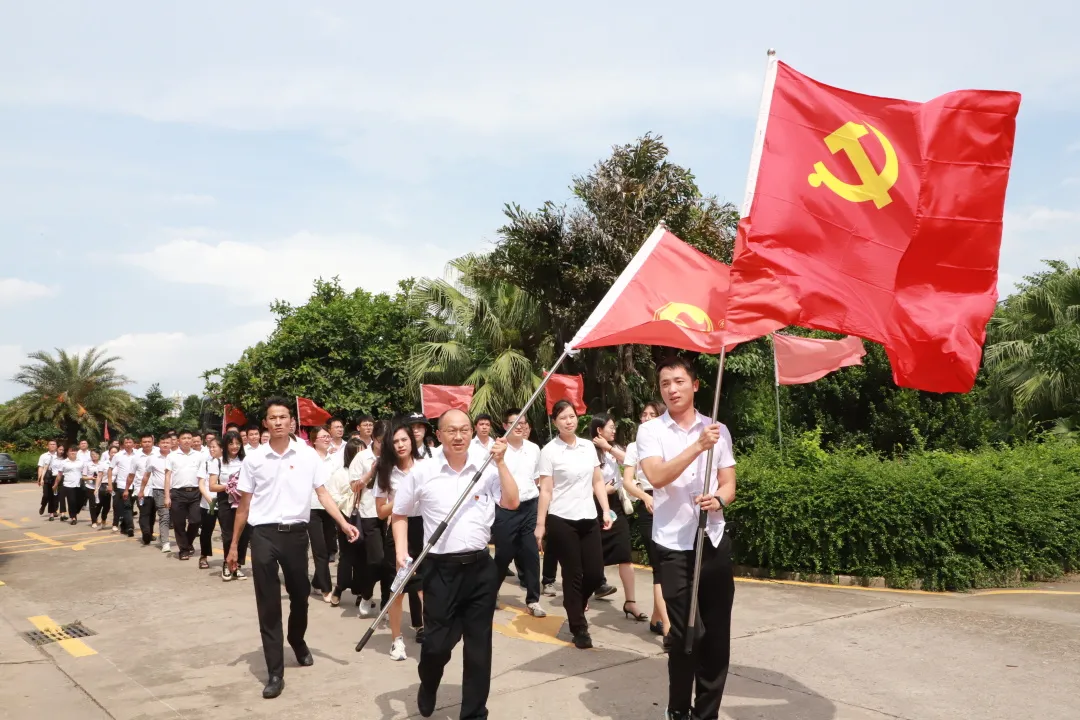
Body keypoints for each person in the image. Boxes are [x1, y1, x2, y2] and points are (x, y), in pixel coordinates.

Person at [227, 396, 359, 700]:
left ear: (291, 422)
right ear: (265, 423)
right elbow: (244, 505)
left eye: (283, 417)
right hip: (263, 535)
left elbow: (323, 494)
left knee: (300, 596)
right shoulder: (254, 459)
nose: (278, 422)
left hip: (296, 535)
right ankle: (275, 672)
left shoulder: (308, 456)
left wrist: (343, 523)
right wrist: (234, 546)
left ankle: (297, 640)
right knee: (268, 604)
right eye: (272, 418)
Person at [392, 408, 518, 719]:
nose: (459, 436)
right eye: (451, 430)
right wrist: (401, 553)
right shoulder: (423, 471)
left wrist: (501, 463)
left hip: (480, 569)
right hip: (440, 570)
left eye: (464, 429)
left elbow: (512, 501)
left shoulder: (487, 466)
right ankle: (428, 682)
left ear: (472, 432)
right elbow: (399, 513)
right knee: (437, 646)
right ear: (439, 435)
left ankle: (474, 713)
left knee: (478, 648)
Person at [636, 356, 737, 720]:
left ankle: (705, 714)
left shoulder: (717, 429)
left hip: (712, 540)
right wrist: (697, 446)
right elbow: (657, 476)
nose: (672, 389)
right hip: (674, 546)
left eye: (679, 381)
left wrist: (718, 499)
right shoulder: (651, 431)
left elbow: (729, 484)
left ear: (695, 385)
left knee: (717, 638)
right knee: (686, 634)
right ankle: (678, 709)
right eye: (665, 383)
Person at [535, 400, 613, 649]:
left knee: (594, 573)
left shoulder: (588, 447)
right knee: (573, 574)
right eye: (562, 418)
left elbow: (597, 481)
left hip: (588, 517)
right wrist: (541, 524)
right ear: (555, 422)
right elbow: (546, 490)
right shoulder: (549, 451)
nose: (568, 421)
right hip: (562, 519)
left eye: (572, 416)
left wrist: (605, 510)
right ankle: (579, 628)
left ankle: (575, 604)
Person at [375, 421, 428, 660]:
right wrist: (402, 499)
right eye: (395, 441)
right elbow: (380, 512)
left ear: (412, 441)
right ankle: (396, 640)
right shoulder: (385, 471)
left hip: (425, 529)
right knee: (398, 589)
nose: (400, 445)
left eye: (404, 439)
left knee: (427, 588)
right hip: (398, 529)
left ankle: (432, 632)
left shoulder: (426, 467)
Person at [491, 408, 545, 617]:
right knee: (503, 555)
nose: (520, 426)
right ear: (505, 426)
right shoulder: (497, 449)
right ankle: (491, 592)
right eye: (515, 423)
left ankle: (533, 600)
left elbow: (536, 478)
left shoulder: (533, 449)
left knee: (531, 553)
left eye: (523, 423)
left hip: (529, 506)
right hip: (506, 510)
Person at [621, 401, 669, 635]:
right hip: (648, 505)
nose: (647, 418)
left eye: (653, 414)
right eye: (644, 414)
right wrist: (645, 497)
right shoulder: (634, 446)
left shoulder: (670, 441)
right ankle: (669, 628)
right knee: (660, 566)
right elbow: (627, 481)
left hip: (671, 505)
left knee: (671, 565)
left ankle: (656, 618)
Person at [590, 413, 640, 617]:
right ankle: (583, 596)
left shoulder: (614, 448)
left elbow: (631, 461)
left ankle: (631, 602)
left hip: (616, 507)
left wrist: (608, 447)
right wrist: (601, 490)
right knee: (592, 555)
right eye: (610, 427)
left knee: (624, 554)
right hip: (593, 506)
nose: (614, 430)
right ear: (599, 430)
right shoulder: (587, 451)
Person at [325, 437, 365, 607]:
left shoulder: (370, 472)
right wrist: (349, 499)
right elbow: (332, 496)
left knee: (363, 556)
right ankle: (340, 587)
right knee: (347, 555)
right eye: (358, 453)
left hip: (366, 516)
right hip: (347, 517)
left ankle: (361, 591)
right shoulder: (340, 474)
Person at [349, 431, 383, 618]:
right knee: (376, 559)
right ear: (374, 439)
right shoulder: (362, 457)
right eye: (380, 441)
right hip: (369, 513)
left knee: (390, 563)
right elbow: (354, 486)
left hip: (392, 513)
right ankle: (367, 593)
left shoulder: (395, 455)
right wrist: (371, 471)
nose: (383, 445)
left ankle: (387, 602)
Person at [211, 430, 249, 581]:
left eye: (238, 443)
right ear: (225, 445)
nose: (235, 446)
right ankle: (227, 564)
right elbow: (212, 486)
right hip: (225, 500)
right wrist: (229, 486)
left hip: (243, 500)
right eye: (231, 443)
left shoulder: (246, 461)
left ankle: (237, 566)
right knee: (228, 534)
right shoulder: (218, 462)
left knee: (243, 534)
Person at [306, 426, 338, 603]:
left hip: (330, 507)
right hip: (312, 507)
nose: (327, 439)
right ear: (314, 440)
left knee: (330, 547)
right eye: (323, 437)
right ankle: (326, 588)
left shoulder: (334, 459)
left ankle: (317, 582)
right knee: (320, 549)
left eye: (328, 436)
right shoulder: (308, 459)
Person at [164, 430, 204, 562]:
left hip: (195, 492)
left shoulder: (199, 456)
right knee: (179, 523)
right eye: (184, 438)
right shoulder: (172, 456)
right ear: (178, 441)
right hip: (177, 493)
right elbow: (168, 476)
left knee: (196, 520)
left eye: (189, 438)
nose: (187, 440)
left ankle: (187, 542)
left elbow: (203, 476)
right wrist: (167, 496)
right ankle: (183, 550)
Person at [139, 437, 173, 552]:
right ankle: (165, 542)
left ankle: (163, 536)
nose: (165, 445)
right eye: (163, 442)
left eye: (167, 443)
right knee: (164, 515)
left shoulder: (176, 456)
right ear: (158, 444)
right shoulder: (152, 458)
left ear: (172, 444)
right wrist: (141, 490)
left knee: (175, 517)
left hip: (176, 490)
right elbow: (146, 475)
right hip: (159, 491)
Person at [197, 437, 223, 569]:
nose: (212, 449)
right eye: (210, 447)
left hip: (224, 503)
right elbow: (201, 484)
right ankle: (204, 556)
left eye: (214, 447)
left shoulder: (227, 464)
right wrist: (209, 500)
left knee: (227, 532)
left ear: (222, 448)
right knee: (206, 531)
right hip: (208, 503)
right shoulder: (206, 463)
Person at [109, 437, 137, 536]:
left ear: (134, 444)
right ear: (123, 444)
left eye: (130, 442)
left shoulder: (138, 454)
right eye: (126, 442)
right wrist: (109, 484)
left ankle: (124, 526)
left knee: (130, 507)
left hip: (135, 484)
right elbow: (110, 469)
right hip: (122, 485)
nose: (128, 444)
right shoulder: (118, 455)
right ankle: (130, 527)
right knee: (127, 505)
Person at [132, 434, 155, 544]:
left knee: (152, 514)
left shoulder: (158, 454)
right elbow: (131, 474)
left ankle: (150, 533)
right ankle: (146, 533)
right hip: (141, 490)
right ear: (141, 443)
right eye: (144, 442)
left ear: (152, 442)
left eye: (149, 441)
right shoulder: (136, 456)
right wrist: (127, 489)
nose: (147, 444)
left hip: (156, 489)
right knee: (144, 512)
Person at [54, 445, 85, 525]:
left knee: (81, 501)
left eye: (74, 451)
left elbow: (85, 472)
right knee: (72, 501)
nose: (73, 452)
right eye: (71, 451)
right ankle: (73, 517)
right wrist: (56, 484)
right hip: (68, 484)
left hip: (79, 484)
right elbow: (59, 474)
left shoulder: (81, 462)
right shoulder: (63, 462)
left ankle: (75, 511)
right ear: (67, 453)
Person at [83, 449, 108, 529]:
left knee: (100, 504)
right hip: (90, 486)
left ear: (99, 455)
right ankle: (93, 521)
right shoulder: (87, 464)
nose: (94, 456)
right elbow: (83, 477)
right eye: (92, 454)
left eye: (96, 454)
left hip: (101, 487)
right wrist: (91, 478)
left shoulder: (103, 464)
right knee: (92, 504)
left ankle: (98, 517)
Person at [37, 440, 59, 517]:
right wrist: (40, 478)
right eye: (51, 444)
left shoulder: (59, 456)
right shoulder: (43, 456)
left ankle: (54, 510)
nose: (52, 445)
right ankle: (43, 505)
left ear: (56, 446)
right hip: (46, 475)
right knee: (46, 495)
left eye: (54, 444)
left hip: (56, 476)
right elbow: (41, 467)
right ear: (48, 446)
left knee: (55, 494)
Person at [50, 444, 68, 521]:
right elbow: (48, 467)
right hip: (54, 477)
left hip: (63, 477)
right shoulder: (52, 458)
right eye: (60, 449)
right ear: (57, 449)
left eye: (63, 450)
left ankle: (63, 514)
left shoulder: (66, 459)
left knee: (62, 496)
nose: (61, 451)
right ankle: (53, 511)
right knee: (54, 496)